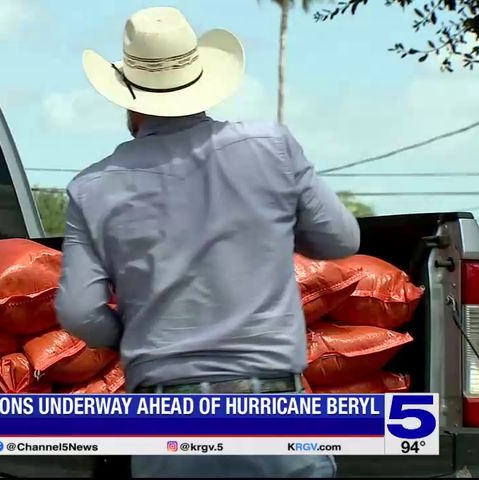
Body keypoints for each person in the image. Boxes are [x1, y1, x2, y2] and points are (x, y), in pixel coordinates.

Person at [55, 6, 360, 479]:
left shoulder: (92, 187)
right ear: (201, 81)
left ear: (128, 96)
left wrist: (138, 334)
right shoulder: (270, 146)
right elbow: (341, 239)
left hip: (166, 417)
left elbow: (77, 311)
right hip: (271, 406)